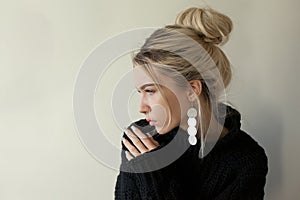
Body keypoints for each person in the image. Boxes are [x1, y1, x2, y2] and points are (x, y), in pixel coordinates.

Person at [114, 6, 268, 200]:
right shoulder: (139, 139)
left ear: (191, 89)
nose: (141, 107)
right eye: (140, 92)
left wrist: (154, 175)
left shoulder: (246, 161)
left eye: (150, 91)